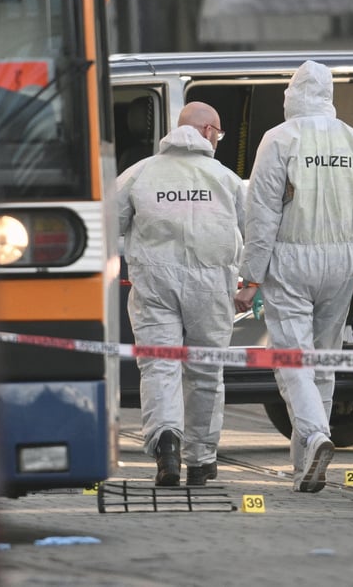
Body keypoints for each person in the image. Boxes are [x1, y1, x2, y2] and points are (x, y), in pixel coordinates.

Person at [234, 61, 353, 493]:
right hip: (342, 263)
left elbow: (261, 214)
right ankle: (305, 466)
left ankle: (317, 435)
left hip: (289, 259)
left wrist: (251, 277)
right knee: (323, 361)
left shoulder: (280, 139)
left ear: (292, 95)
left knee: (291, 359)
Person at [116, 101, 246, 487]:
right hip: (211, 284)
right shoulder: (224, 178)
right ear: (207, 131)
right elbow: (256, 228)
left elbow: (110, 223)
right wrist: (253, 280)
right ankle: (202, 460)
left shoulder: (139, 174)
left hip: (154, 283)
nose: (219, 139)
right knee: (206, 371)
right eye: (219, 132)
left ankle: (166, 446)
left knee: (159, 365)